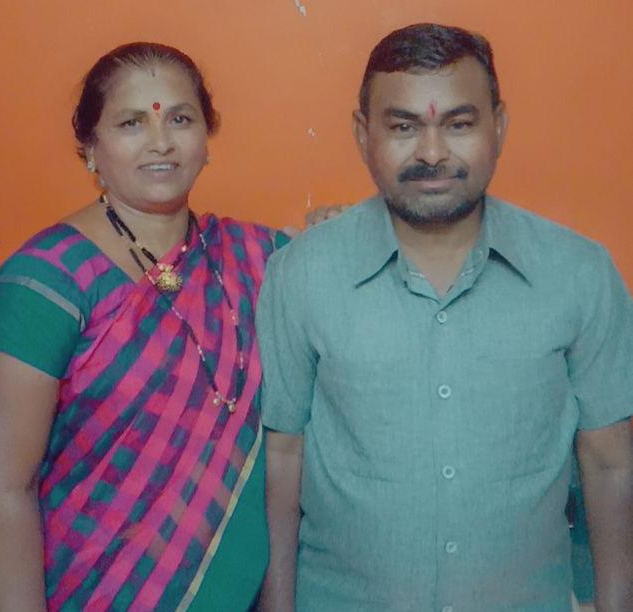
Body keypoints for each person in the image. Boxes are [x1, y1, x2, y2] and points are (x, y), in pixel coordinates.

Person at [257, 23, 633, 612]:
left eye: (458, 125)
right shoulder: (301, 274)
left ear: (499, 126)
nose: (431, 154)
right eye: (403, 127)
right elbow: (282, 458)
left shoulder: (579, 274)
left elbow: (610, 464)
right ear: (362, 134)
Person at [0, 42, 291, 611]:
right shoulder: (46, 281)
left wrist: (336, 231)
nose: (160, 142)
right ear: (90, 148)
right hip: (82, 591)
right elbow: (3, 489)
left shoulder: (262, 259)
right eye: (131, 123)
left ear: (207, 138)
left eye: (180, 119)